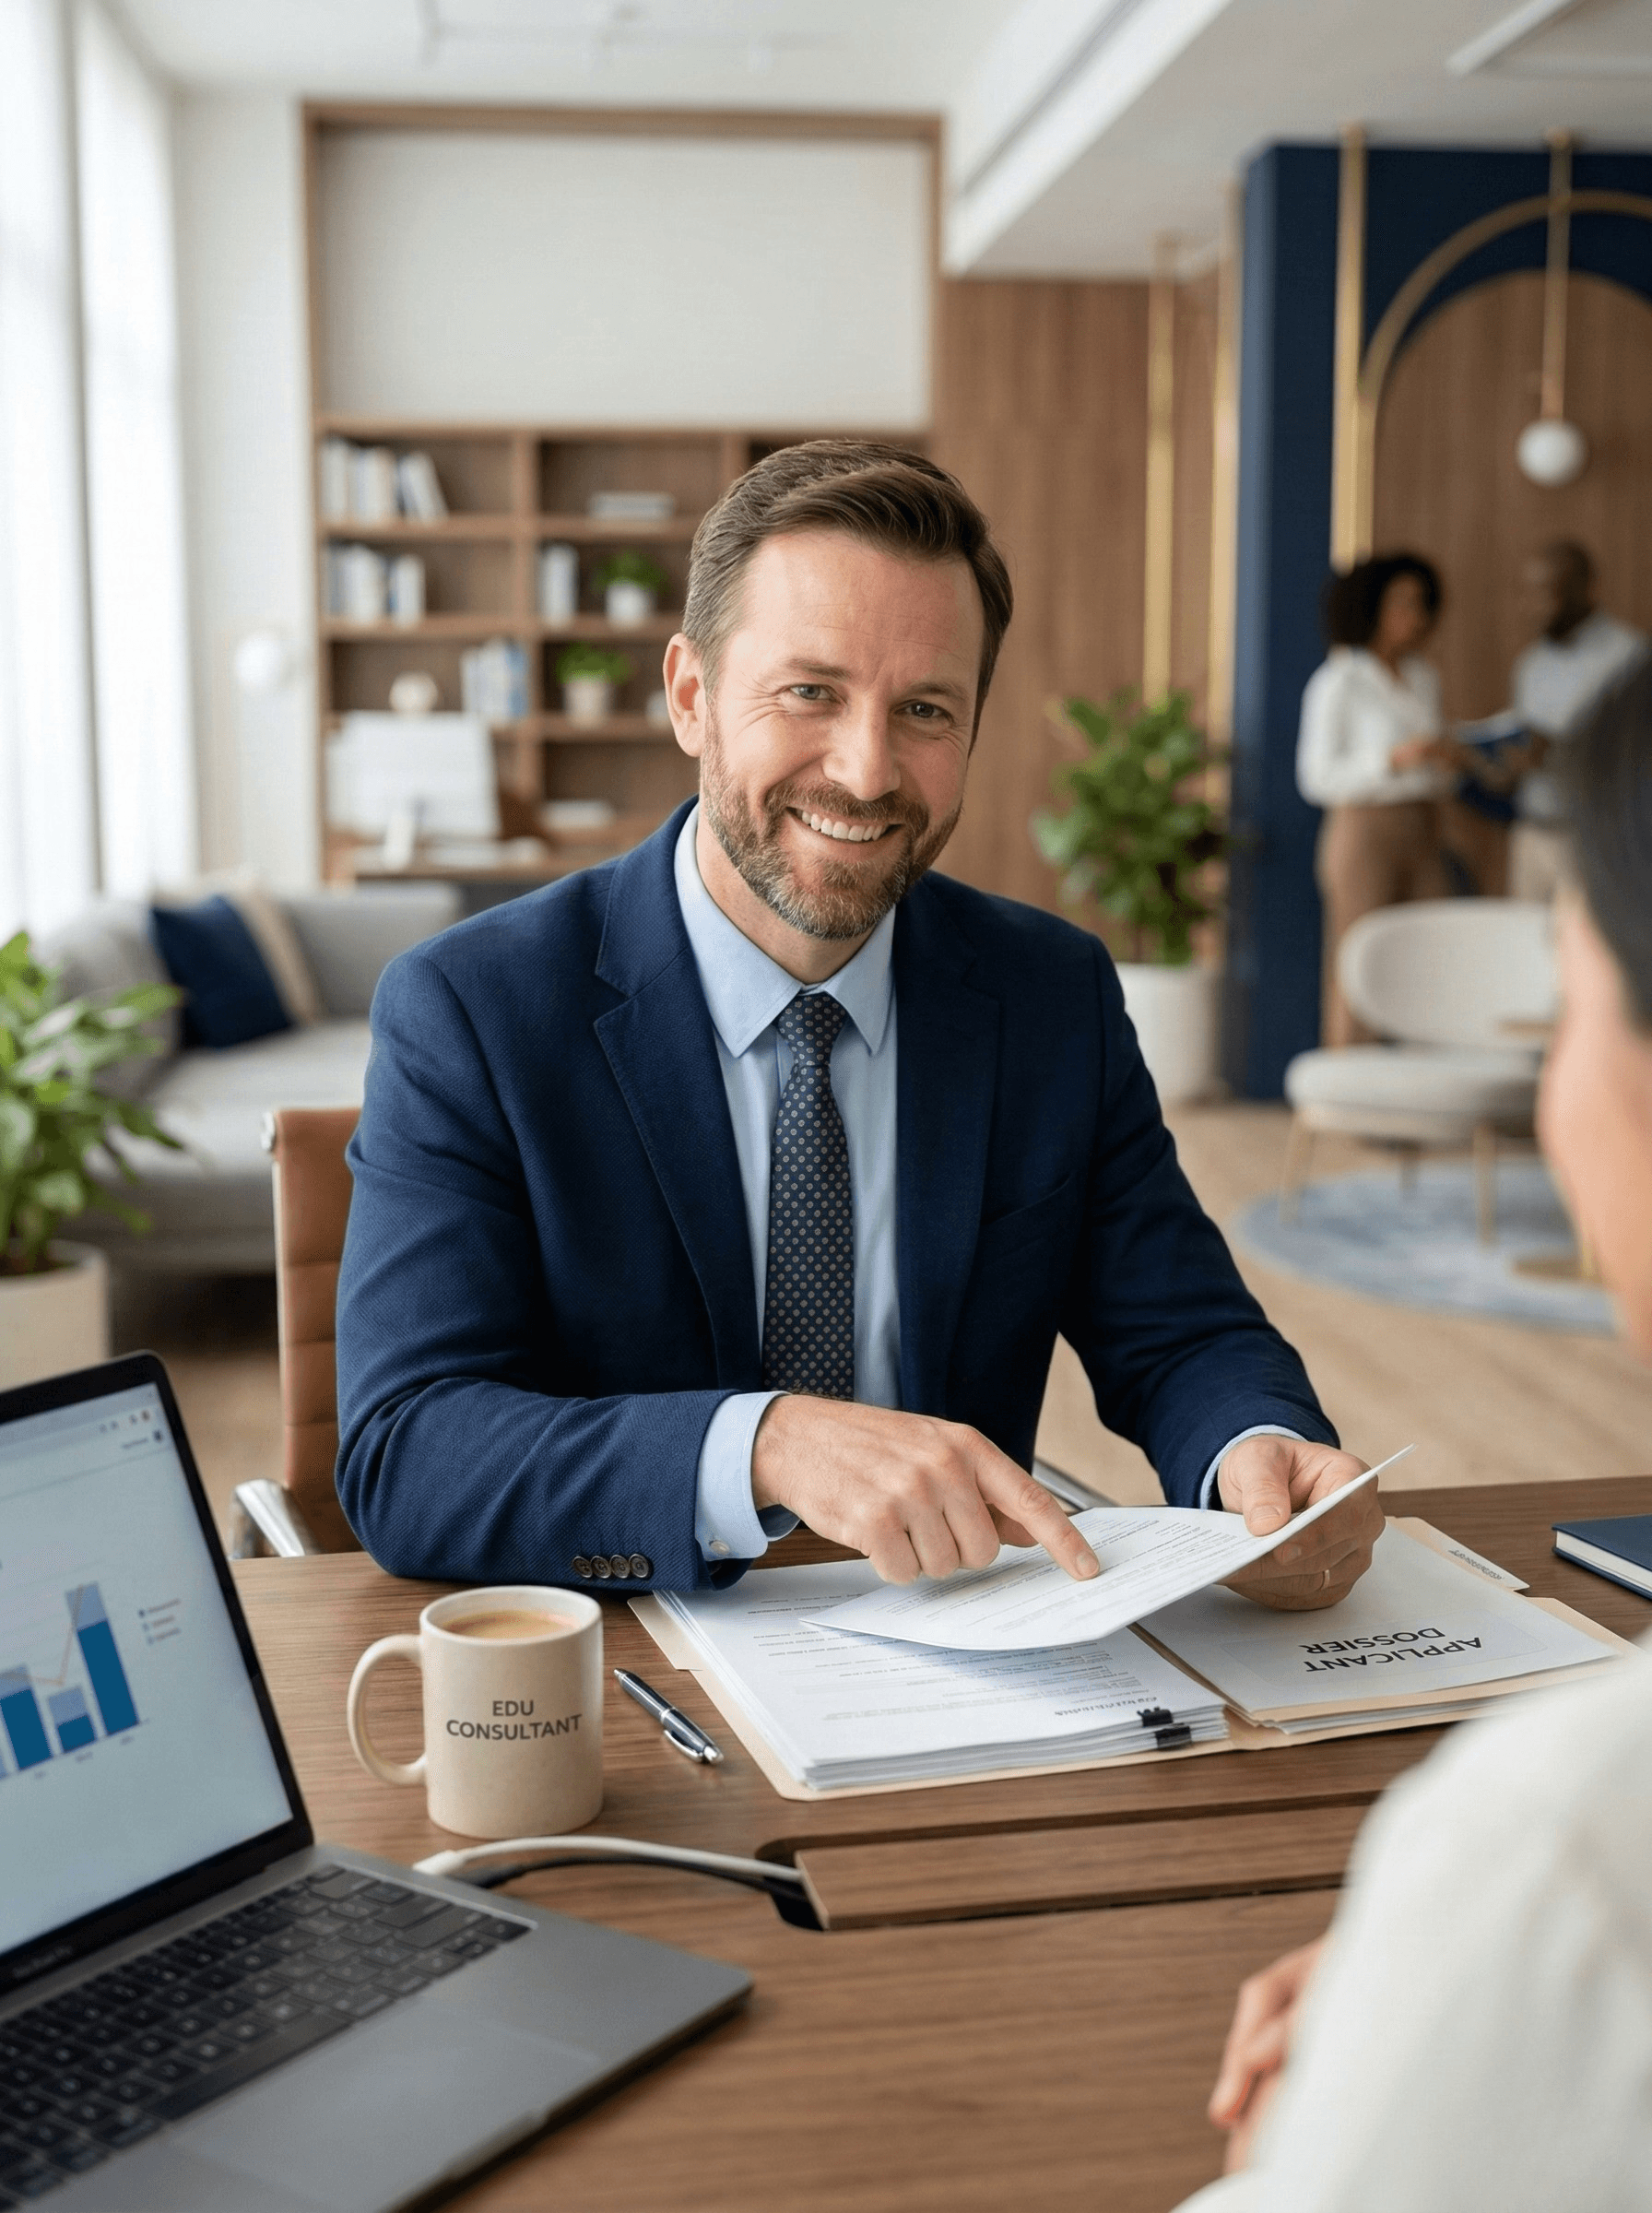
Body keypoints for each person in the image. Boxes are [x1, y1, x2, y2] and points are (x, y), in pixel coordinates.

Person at [336, 441, 1380, 1603]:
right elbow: (409, 1452)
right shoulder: (474, 1009)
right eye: (810, 692)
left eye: (924, 709)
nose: (868, 770)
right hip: (633, 1674)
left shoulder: (1049, 995)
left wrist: (1255, 1455)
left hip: (975, 1656)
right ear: (691, 697)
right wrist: (765, 1442)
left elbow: (1183, 1333)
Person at [1184, 653, 1652, 2212]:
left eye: (1568, 998)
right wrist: (1473, 1993)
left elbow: (1177, 1319)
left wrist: (1491, 1955)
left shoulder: (1555, 1834)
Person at [1295, 554, 1454, 1047]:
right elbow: (1315, 777)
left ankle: (1423, 1094)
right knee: (1360, 962)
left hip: (1423, 825)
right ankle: (1350, 1103)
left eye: (1421, 604)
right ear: (1372, 607)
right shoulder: (1339, 681)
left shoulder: (1424, 678)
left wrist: (1448, 761)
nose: (1416, 615)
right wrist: (1390, 760)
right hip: (1365, 831)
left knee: (1430, 955)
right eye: (1402, 603)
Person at [1507, 540, 1645, 903]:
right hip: (1531, 832)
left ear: (1587, 589)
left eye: (1546, 593)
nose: (1531, 607)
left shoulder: (1630, 661)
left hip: (1594, 841)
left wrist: (1560, 753)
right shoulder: (1530, 664)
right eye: (1527, 594)